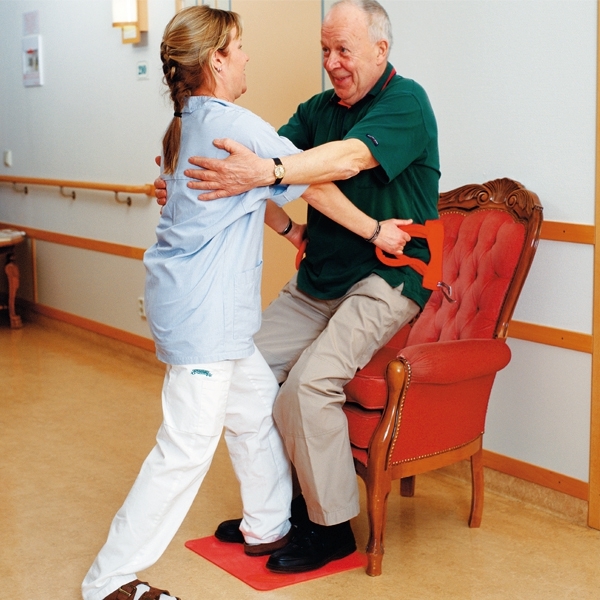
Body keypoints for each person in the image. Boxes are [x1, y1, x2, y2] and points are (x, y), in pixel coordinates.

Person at [84, 5, 412, 599]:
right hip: (205, 314)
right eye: (238, 48)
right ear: (217, 60)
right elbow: (312, 181)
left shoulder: (188, 122)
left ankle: (268, 525)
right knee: (185, 450)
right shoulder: (232, 123)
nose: (247, 57)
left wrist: (293, 231)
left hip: (208, 309)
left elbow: (255, 188)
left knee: (256, 407)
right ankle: (110, 580)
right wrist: (373, 230)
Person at [155, 0, 440, 575]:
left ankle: (330, 528)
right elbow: (250, 166)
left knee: (308, 387)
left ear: (380, 50)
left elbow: (345, 160)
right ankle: (276, 513)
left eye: (344, 50)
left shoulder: (406, 101)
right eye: (325, 50)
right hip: (320, 279)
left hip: (387, 277)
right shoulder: (316, 110)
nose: (332, 62)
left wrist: (271, 172)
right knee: (248, 371)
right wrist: (186, 184)